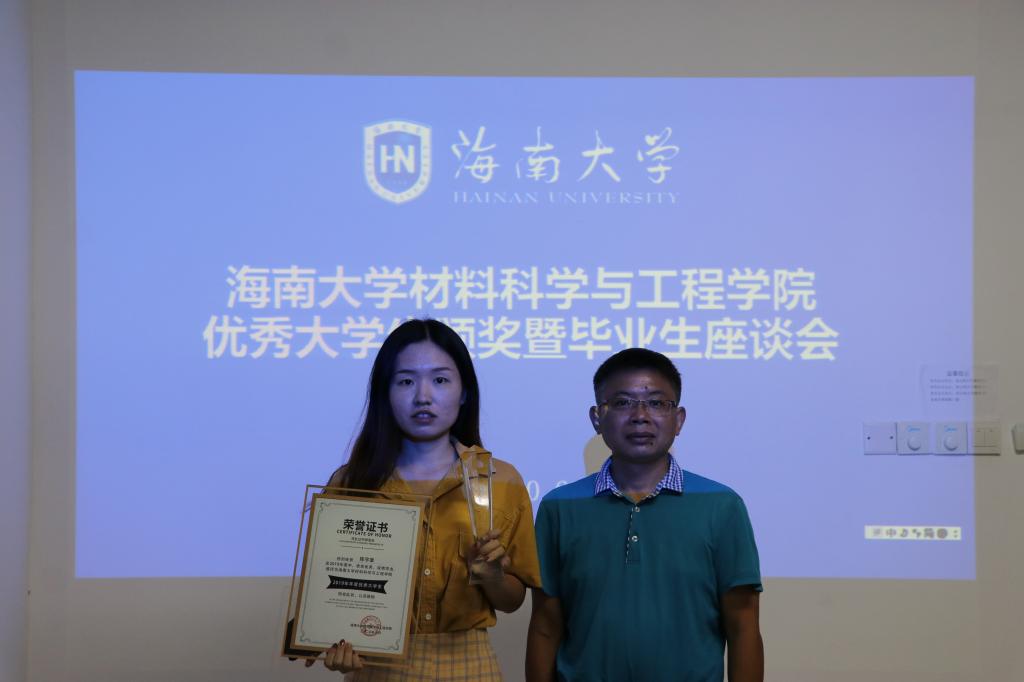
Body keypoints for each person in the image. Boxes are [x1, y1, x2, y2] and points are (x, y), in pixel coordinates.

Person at [310, 318, 540, 680]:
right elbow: (331, 594)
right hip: (378, 667)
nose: (423, 396)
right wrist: (336, 643)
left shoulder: (501, 480)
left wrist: (493, 576)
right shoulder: (351, 483)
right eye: (406, 381)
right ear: (385, 393)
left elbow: (512, 601)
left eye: (440, 380)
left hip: (470, 665)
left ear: (464, 392)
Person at [526, 348, 763, 682]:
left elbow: (743, 627)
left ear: (678, 419)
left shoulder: (722, 506)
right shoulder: (559, 507)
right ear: (597, 418)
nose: (640, 416)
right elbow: (545, 627)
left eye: (656, 403)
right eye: (622, 402)